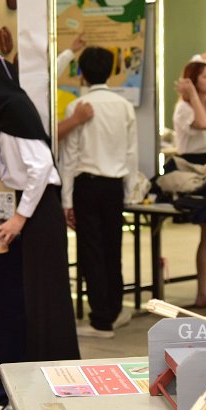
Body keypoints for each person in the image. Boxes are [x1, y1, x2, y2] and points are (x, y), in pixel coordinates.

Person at [0, 50, 81, 360]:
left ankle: (53, 366)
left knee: (45, 295)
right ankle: (39, 364)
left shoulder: (14, 110)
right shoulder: (0, 113)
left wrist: (18, 219)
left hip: (40, 209)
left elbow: (41, 168)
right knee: (34, 293)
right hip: (32, 206)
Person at [60, 46, 138, 338]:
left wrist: (66, 200)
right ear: (112, 71)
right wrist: (129, 192)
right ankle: (113, 311)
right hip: (114, 186)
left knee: (91, 251)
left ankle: (100, 320)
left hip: (87, 186)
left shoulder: (77, 107)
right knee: (113, 249)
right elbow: (131, 154)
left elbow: (69, 157)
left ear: (81, 73)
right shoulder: (124, 106)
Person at [173, 61, 206, 307]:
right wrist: (193, 95)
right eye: (205, 77)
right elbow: (203, 124)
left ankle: (203, 292)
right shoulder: (184, 108)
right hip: (191, 172)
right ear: (193, 82)